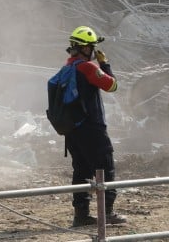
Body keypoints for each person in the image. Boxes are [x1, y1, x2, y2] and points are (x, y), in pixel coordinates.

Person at [63, 25, 129, 227]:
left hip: (72, 130)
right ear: (85, 48)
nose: (93, 50)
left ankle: (81, 215)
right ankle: (107, 212)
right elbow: (112, 85)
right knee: (105, 166)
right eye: (92, 47)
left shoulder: (67, 67)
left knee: (81, 170)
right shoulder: (88, 67)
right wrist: (105, 64)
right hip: (92, 128)